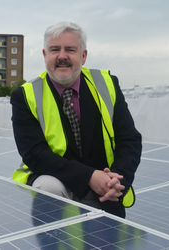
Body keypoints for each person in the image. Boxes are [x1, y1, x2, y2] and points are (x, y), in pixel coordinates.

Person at [10, 21, 142, 218]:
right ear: (45, 55)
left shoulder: (107, 84)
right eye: (55, 49)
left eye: (70, 49)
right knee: (47, 187)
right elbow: (34, 154)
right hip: (58, 180)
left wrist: (117, 179)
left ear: (83, 56)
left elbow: (129, 139)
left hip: (105, 187)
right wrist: (89, 176)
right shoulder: (26, 95)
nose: (62, 56)